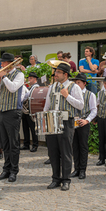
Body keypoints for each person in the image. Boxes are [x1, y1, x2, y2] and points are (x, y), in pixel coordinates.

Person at [43, 63, 84, 191]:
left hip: (66, 121)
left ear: (65, 75)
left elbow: (81, 105)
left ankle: (66, 179)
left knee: (66, 151)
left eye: (58, 73)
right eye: (56, 72)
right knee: (53, 152)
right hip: (52, 120)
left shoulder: (74, 87)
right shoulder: (52, 86)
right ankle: (55, 178)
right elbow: (47, 104)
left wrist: (67, 96)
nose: (55, 75)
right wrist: (44, 118)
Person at [0, 53, 24, 183]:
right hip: (3, 110)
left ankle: (14, 171)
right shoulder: (4, 76)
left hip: (13, 111)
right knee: (5, 143)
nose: (1, 65)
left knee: (13, 143)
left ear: (10, 63)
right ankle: (6, 169)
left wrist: (4, 77)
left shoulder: (19, 75)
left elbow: (12, 88)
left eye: (3, 62)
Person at [70, 73, 97, 179]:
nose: (76, 84)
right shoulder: (72, 95)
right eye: (75, 82)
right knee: (74, 146)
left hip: (84, 123)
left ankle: (82, 170)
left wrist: (87, 120)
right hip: (73, 123)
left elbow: (94, 110)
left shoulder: (90, 95)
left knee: (83, 147)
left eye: (79, 83)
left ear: (84, 83)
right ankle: (76, 169)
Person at [20, 72, 39, 152]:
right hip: (26, 110)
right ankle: (26, 144)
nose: (29, 80)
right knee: (25, 128)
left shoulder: (36, 87)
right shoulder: (31, 87)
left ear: (35, 79)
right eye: (28, 78)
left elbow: (27, 95)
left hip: (31, 110)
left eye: (30, 78)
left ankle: (35, 145)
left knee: (33, 129)